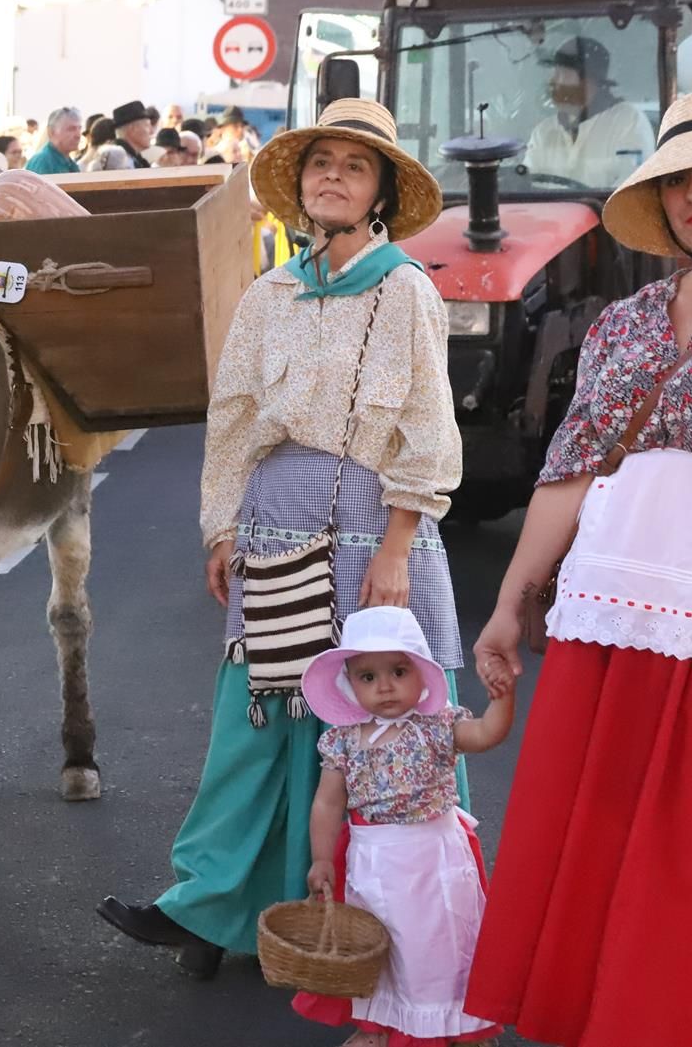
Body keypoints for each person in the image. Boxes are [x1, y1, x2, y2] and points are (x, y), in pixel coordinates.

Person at [464, 88, 692, 1047]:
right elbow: (570, 469)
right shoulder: (626, 320)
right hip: (619, 610)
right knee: (611, 821)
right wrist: (510, 603)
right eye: (675, 178)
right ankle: (617, 1015)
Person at [98, 98, 461, 978]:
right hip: (271, 527)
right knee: (251, 725)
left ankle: (379, 931)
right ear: (299, 185)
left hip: (375, 530)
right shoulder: (269, 293)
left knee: (373, 733)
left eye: (354, 164)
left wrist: (393, 544)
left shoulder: (405, 288)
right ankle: (208, 907)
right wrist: (220, 527)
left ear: (379, 193)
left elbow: (426, 421)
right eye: (319, 161)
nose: (332, 174)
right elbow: (231, 420)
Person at [293, 607, 510, 1046]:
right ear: (349, 683)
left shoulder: (438, 727)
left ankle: (458, 1023)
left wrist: (503, 696)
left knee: (442, 944)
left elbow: (487, 733)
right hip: (375, 863)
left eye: (397, 671)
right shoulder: (342, 740)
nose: (385, 686)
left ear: (423, 674)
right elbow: (327, 802)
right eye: (367, 677)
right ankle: (378, 1025)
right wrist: (320, 857)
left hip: (433, 859)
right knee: (380, 944)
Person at [522, 37, 656, 190]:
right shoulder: (543, 132)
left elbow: (631, 191)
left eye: (562, 74)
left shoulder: (628, 121)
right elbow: (526, 186)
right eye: (554, 73)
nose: (553, 81)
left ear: (588, 81)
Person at [27, 107, 83, 175]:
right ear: (51, 132)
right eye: (71, 129)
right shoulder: (43, 162)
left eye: (79, 128)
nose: (78, 135)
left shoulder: (69, 163)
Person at [110, 101, 152, 169]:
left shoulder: (131, 159)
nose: (152, 131)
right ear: (132, 129)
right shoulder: (120, 161)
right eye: (147, 125)